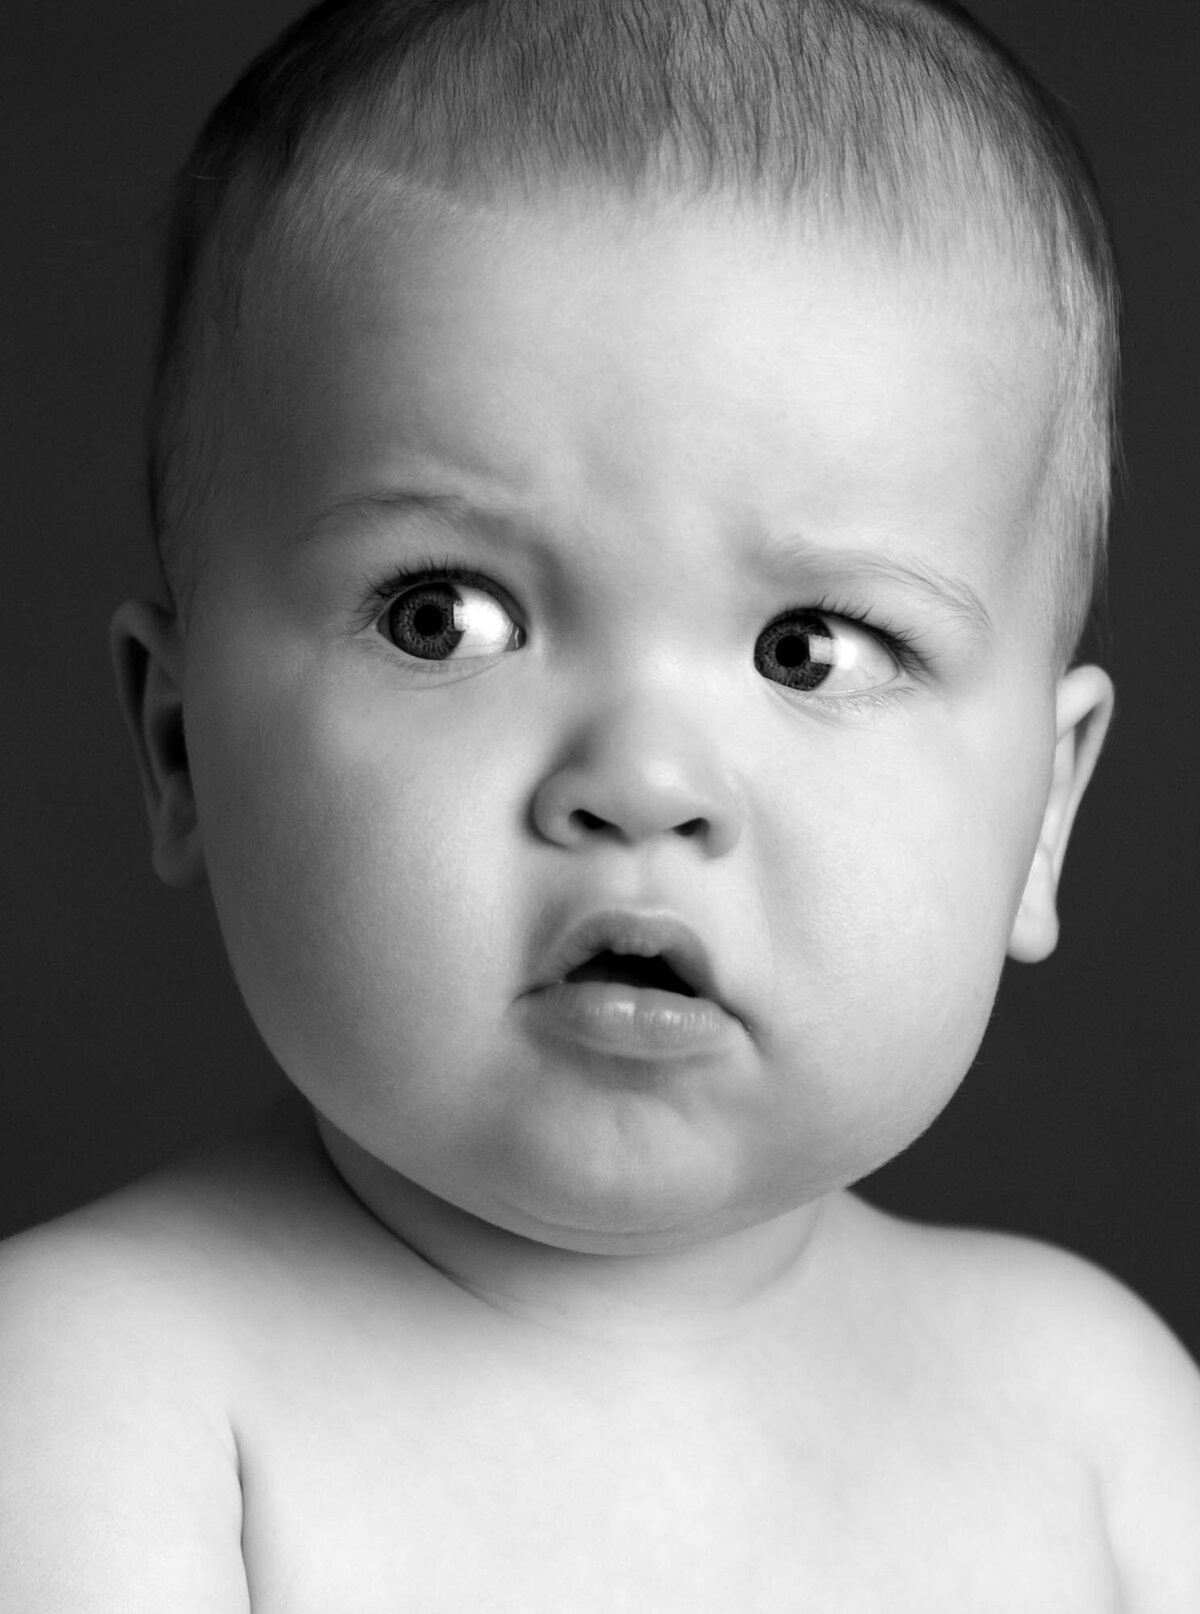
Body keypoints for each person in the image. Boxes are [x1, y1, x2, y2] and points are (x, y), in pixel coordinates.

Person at [3, 0, 1199, 1605]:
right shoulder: (98, 1395)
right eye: (443, 616)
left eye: (814, 646)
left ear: (1043, 815)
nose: (642, 780)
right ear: (179, 746)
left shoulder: (1104, 1419)